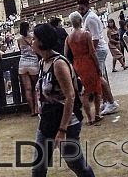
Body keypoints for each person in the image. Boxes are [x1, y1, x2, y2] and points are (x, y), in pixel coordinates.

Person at [30, 23, 95, 177]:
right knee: (38, 167)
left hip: (66, 123)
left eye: (34, 39)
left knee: (77, 164)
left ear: (41, 42)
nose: (31, 42)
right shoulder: (42, 63)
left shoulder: (58, 64)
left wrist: (62, 130)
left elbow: (70, 96)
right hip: (47, 120)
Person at [75, 0, 118, 115]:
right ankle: (106, 101)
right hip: (97, 50)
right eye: (79, 9)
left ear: (87, 6)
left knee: (99, 77)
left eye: (82, 8)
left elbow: (95, 39)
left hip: (98, 50)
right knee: (99, 77)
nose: (80, 11)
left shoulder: (90, 19)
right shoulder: (87, 18)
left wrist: (90, 53)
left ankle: (111, 102)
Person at [64, 12, 102, 125]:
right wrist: (98, 65)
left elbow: (66, 54)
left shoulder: (68, 38)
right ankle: (97, 114)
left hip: (77, 64)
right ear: (81, 21)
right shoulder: (86, 34)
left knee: (84, 92)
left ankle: (89, 118)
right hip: (88, 62)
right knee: (96, 89)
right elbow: (92, 52)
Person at [17, 22, 40, 117]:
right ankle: (36, 108)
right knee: (36, 87)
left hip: (22, 63)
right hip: (33, 63)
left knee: (27, 89)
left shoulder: (19, 39)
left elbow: (20, 49)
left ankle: (32, 110)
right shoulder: (32, 37)